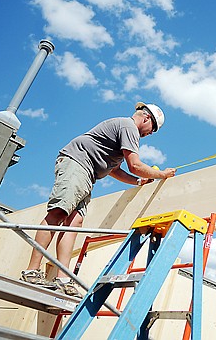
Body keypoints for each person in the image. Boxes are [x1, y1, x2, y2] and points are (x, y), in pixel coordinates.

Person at [20, 102, 176, 296]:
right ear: (146, 118)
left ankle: (62, 279)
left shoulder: (122, 133)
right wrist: (162, 174)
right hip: (77, 164)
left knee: (73, 223)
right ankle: (31, 271)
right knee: (59, 212)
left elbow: (114, 170)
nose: (150, 134)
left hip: (87, 173)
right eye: (153, 129)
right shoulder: (128, 127)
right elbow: (134, 165)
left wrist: (138, 182)